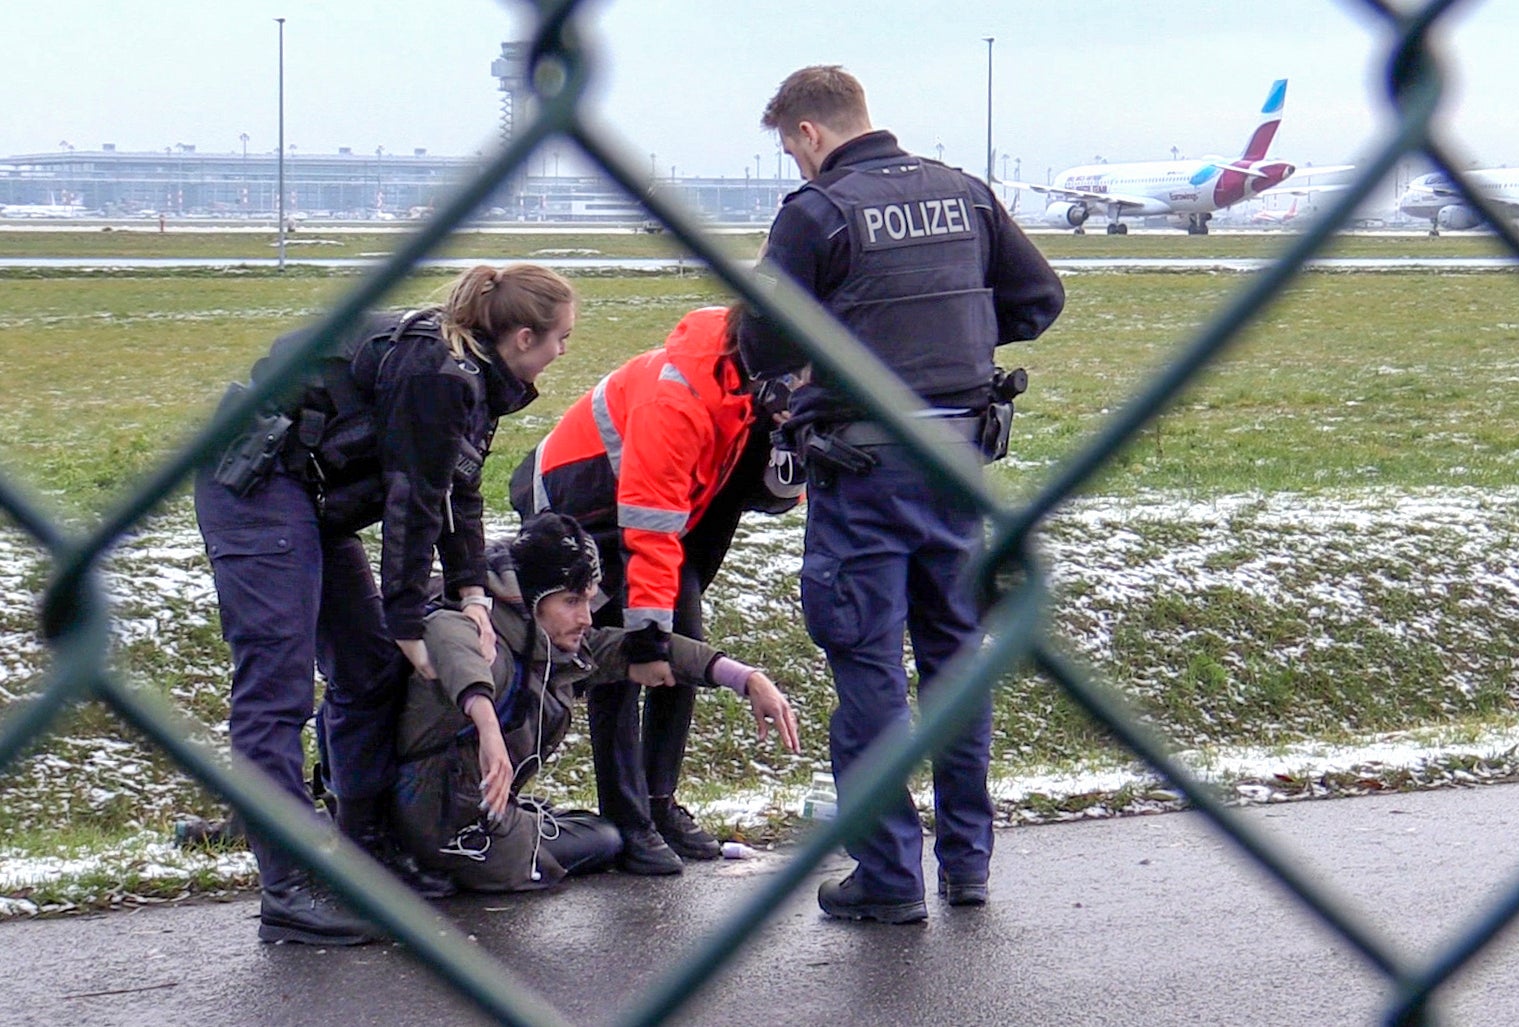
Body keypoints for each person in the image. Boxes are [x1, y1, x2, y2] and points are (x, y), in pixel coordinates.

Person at [741, 66, 1065, 923]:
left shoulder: (817, 212)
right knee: (956, 660)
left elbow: (759, 341)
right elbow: (1039, 299)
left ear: (809, 133)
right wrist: (956, 341)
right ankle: (967, 863)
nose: (796, 165)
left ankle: (888, 876)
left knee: (868, 668)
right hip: (958, 463)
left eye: (791, 150)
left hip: (861, 470)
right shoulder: (966, 194)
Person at [194, 263, 576, 945]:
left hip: (314, 497)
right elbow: (412, 504)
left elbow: (458, 490)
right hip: (255, 485)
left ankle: (363, 847)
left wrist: (471, 594)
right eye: (560, 339)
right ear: (523, 337)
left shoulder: (476, 378)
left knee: (368, 668)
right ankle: (290, 885)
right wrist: (406, 620)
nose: (563, 352)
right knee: (277, 689)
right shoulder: (438, 374)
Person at [509, 304, 800, 874]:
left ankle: (659, 802)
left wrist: (789, 448)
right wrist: (646, 640)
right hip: (583, 504)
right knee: (625, 657)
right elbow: (648, 529)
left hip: (658, 515)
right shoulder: (676, 397)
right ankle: (627, 817)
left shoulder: (745, 382)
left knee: (682, 639)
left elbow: (756, 497)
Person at [392, 511, 801, 893]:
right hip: (442, 827)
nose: (586, 617)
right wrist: (486, 724)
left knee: (595, 830)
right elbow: (450, 639)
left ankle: (511, 828)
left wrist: (746, 678)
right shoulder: (484, 637)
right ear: (531, 599)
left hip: (469, 811)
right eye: (571, 601)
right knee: (603, 840)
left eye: (588, 600)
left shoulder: (547, 646)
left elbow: (639, 649)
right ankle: (447, 864)